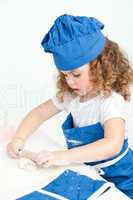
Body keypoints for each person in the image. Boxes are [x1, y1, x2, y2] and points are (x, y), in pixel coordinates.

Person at [7, 14, 133, 198]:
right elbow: (40, 113)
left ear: (101, 67)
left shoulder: (110, 100)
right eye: (65, 75)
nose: (70, 82)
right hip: (89, 171)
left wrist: (63, 156)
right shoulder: (71, 97)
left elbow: (112, 144)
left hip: (125, 178)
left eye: (76, 74)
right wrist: (19, 138)